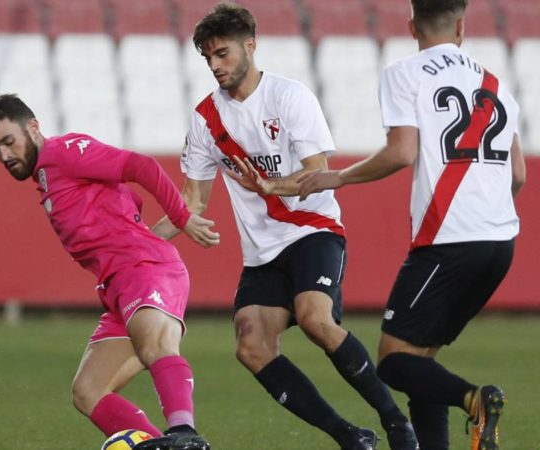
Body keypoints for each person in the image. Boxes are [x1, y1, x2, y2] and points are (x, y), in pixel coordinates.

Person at [152, 3, 417, 450]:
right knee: (251, 347)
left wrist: (271, 186)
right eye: (207, 58)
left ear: (250, 46)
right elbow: (192, 200)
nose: (215, 66)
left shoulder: (289, 97)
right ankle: (350, 436)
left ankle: (396, 423)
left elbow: (317, 172)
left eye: (222, 54)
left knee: (316, 319)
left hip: (312, 230)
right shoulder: (205, 119)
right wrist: (135, 241)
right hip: (263, 253)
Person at [298, 1, 525, 449]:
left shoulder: (405, 72)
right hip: (501, 242)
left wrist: (338, 176)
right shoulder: (496, 83)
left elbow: (402, 151)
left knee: (394, 362)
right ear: (461, 26)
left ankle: (475, 399)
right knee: (423, 360)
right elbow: (517, 174)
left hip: (449, 239)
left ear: (412, 27)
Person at [0, 94, 218, 450]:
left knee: (155, 344)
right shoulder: (45, 176)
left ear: (33, 127)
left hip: (144, 269)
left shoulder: (65, 151)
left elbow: (142, 166)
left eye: (8, 142)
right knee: (88, 391)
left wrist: (181, 217)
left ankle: (185, 434)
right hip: (118, 285)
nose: (5, 156)